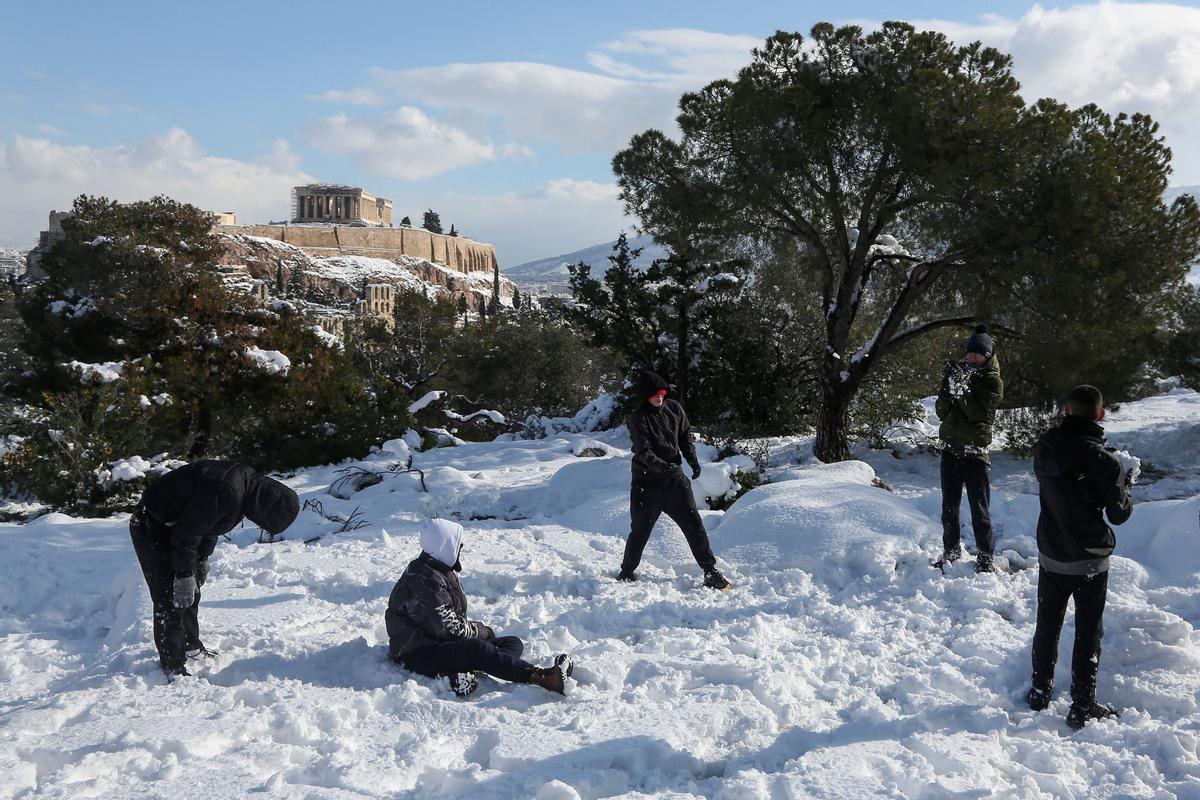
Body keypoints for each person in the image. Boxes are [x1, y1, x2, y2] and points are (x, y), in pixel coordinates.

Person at [130, 460, 299, 681]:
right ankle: (172, 663)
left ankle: (190, 646)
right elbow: (187, 534)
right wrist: (183, 574)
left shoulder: (246, 488)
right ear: (264, 509)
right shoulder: (230, 491)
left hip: (176, 526)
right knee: (170, 593)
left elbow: (209, 525)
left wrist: (200, 560)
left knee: (191, 590)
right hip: (152, 523)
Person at [1027, 385, 1133, 729]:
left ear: (1066, 411)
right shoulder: (1107, 463)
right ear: (1100, 415)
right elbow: (1119, 515)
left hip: (1052, 552)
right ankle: (1082, 705)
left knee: (1048, 623)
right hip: (1089, 559)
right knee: (1088, 632)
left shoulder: (1045, 447)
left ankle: (1040, 690)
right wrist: (1126, 482)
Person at [387, 518, 574, 697]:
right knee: (477, 648)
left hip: (438, 644)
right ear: (444, 545)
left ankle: (462, 674)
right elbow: (448, 627)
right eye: (457, 545)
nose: (460, 549)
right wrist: (481, 632)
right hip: (417, 653)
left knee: (512, 643)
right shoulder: (423, 580)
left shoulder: (436, 571)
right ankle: (543, 678)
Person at [618, 370, 730, 590]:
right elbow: (644, 452)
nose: (659, 397)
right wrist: (664, 466)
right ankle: (627, 570)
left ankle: (710, 570)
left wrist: (692, 460)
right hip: (647, 484)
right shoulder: (637, 418)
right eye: (654, 394)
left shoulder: (674, 409)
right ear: (644, 396)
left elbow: (685, 435)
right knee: (640, 529)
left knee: (694, 524)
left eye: (662, 392)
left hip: (675, 482)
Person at [934, 325, 1004, 572]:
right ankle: (950, 551)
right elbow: (941, 411)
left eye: (978, 354)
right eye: (970, 353)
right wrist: (950, 388)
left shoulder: (992, 381)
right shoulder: (956, 374)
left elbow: (976, 414)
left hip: (975, 454)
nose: (972, 358)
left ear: (987, 355)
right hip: (951, 449)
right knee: (949, 508)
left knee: (979, 510)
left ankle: (985, 558)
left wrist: (961, 390)